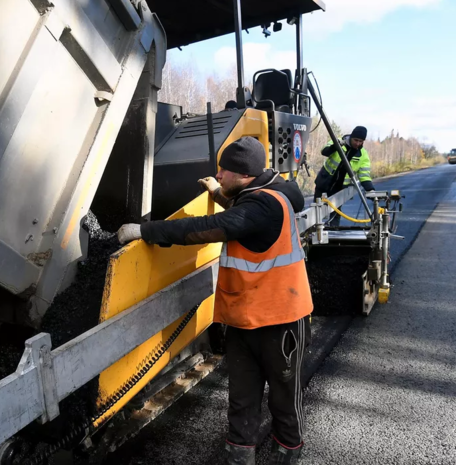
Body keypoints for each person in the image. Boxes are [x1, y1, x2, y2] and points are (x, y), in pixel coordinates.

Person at [117, 137, 313, 464]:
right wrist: (218, 194)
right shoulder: (257, 196)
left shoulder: (265, 206)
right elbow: (240, 213)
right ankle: (240, 458)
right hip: (243, 322)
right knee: (241, 399)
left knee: (284, 399)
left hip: (281, 324)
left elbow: (212, 227)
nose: (218, 174)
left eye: (225, 171)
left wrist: (145, 231)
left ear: (247, 176)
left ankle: (287, 453)